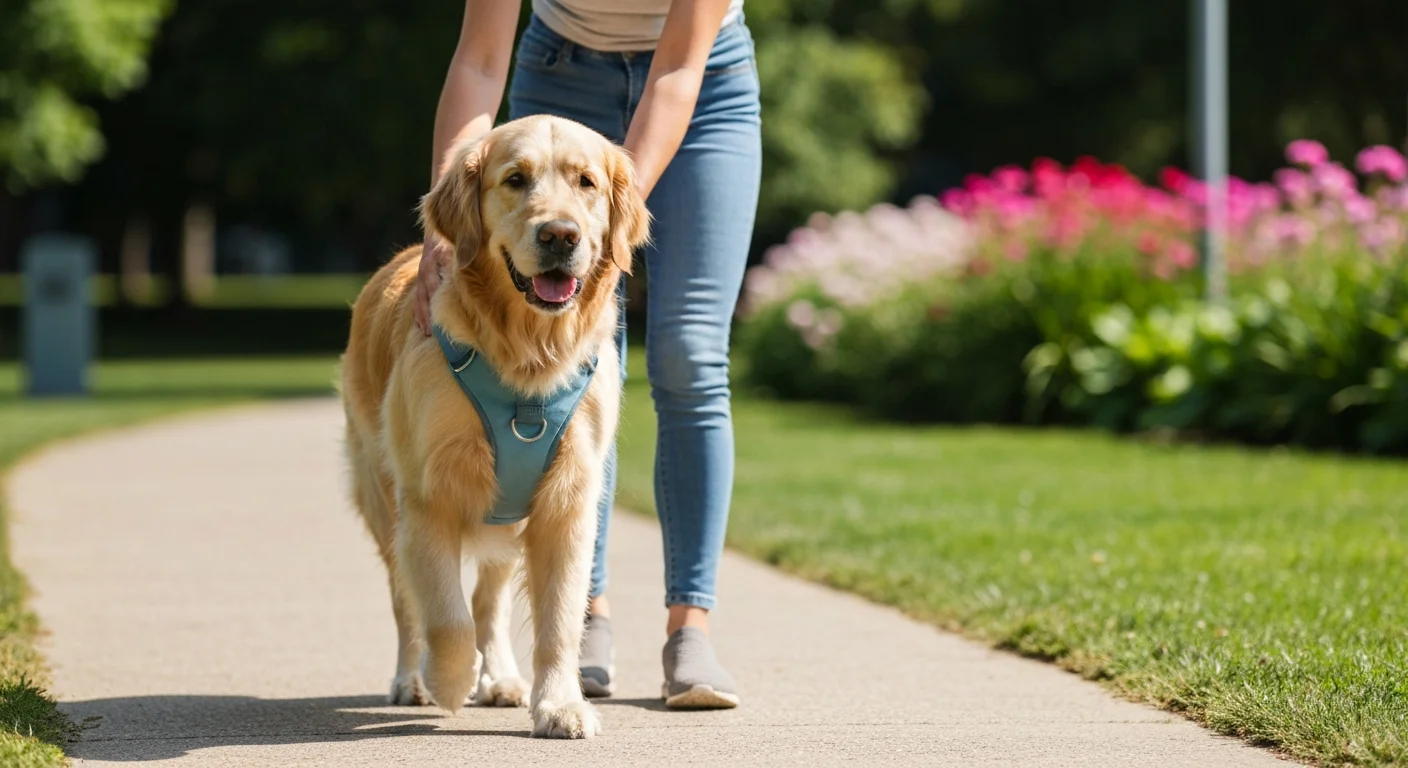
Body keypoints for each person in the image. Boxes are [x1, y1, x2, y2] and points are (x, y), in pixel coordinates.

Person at [412, 0, 760, 709]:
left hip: (703, 84)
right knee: (567, 363)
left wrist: (607, 216)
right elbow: (480, 61)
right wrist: (444, 233)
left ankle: (689, 626)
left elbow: (677, 68)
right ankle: (583, 618)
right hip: (560, 75)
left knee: (690, 353)